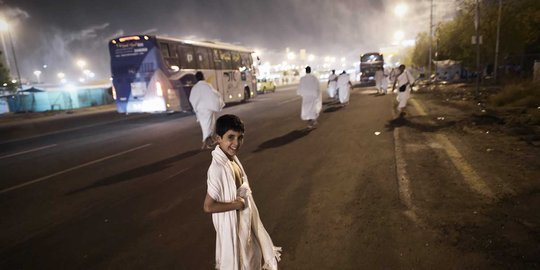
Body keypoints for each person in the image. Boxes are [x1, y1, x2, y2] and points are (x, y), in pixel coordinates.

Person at [203, 114, 281, 270]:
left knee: (251, 260)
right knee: (243, 264)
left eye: (240, 137)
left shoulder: (231, 159)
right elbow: (208, 206)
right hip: (236, 229)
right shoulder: (218, 168)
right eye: (230, 137)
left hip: (245, 224)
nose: (236, 143)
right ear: (218, 138)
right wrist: (237, 204)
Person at [189, 71, 225, 149]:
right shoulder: (207, 85)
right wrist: (219, 100)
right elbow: (214, 95)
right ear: (203, 77)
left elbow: (192, 98)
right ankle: (205, 143)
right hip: (207, 109)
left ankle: (210, 140)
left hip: (200, 110)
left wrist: (196, 108)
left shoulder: (194, 88)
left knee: (205, 126)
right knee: (209, 125)